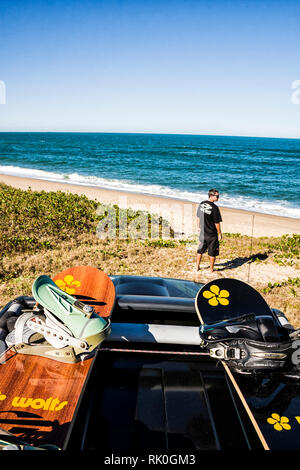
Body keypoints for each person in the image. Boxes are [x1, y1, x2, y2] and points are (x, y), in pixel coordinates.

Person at [196, 189, 222, 273]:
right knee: (212, 252)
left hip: (203, 232)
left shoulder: (202, 204)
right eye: (217, 196)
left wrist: (198, 227)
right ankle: (211, 269)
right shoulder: (215, 208)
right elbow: (216, 223)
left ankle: (197, 266)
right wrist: (219, 233)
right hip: (211, 234)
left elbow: (198, 217)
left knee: (200, 250)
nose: (218, 197)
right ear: (211, 196)